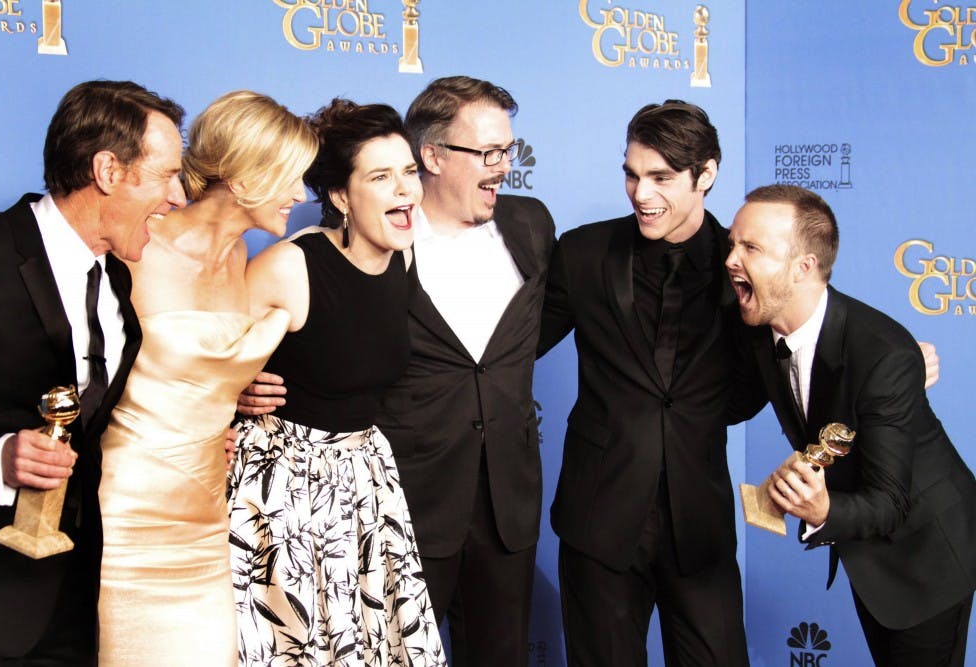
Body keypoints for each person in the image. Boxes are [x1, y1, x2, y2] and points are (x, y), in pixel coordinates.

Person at [240, 76, 556, 666]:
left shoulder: (522, 228)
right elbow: (206, 356)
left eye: (506, 151)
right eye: (383, 176)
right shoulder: (320, 259)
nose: (501, 165)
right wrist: (237, 388)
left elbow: (540, 325)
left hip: (458, 497)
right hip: (350, 502)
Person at [95, 91, 315, 666]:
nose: (301, 194)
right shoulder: (137, 251)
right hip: (125, 516)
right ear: (244, 180)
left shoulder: (242, 255)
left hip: (206, 516)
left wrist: (235, 394)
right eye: (291, 177)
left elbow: (203, 370)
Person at [537, 100, 757, 666]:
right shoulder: (583, 252)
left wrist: (897, 361)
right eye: (632, 175)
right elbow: (506, 351)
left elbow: (790, 354)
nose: (640, 193)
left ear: (705, 174)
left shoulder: (744, 265)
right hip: (599, 518)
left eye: (660, 177)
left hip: (698, 522)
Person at [227, 99, 445, 666]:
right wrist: (235, 392)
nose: (405, 190)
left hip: (365, 484)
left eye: (409, 172)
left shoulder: (404, 257)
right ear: (342, 197)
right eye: (381, 176)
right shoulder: (289, 266)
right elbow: (197, 374)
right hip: (283, 496)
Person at [0, 80, 184, 664]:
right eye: (166, 175)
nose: (178, 196)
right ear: (108, 171)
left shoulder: (117, 279)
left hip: (76, 601)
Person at [726, 184, 976, 667]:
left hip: (927, 556)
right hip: (869, 556)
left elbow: (891, 503)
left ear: (804, 268)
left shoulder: (882, 353)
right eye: (732, 244)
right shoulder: (761, 316)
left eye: (750, 247)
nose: (731, 259)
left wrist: (820, 510)